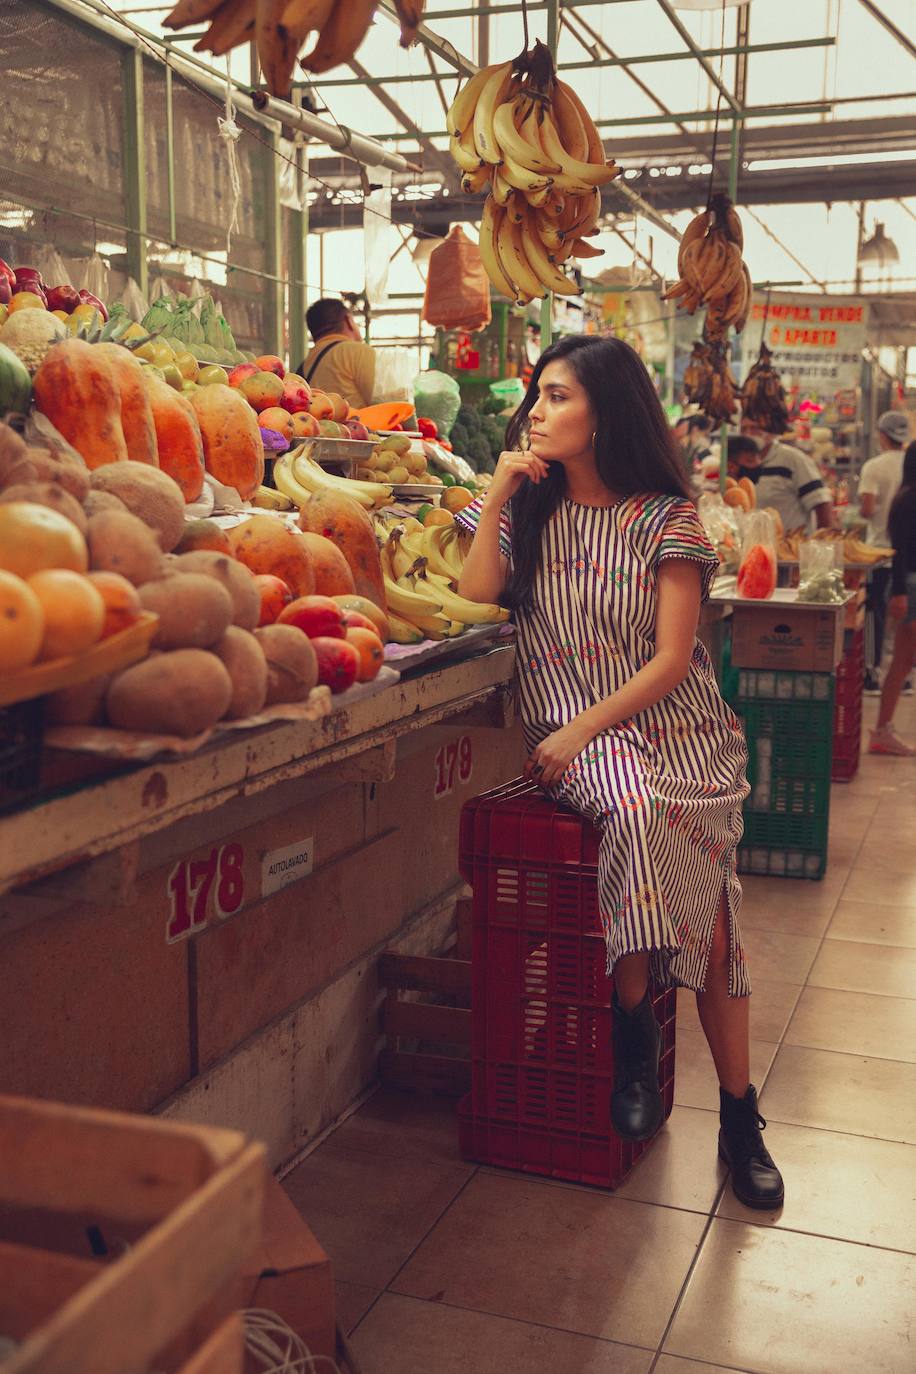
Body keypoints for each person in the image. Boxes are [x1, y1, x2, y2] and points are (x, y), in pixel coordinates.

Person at [456, 334, 783, 1210]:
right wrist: (497, 491)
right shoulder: (533, 512)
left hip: (676, 731)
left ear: (607, 411)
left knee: (715, 932)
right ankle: (633, 1025)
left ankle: (738, 1117)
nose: (538, 411)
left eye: (557, 396)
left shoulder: (666, 520)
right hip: (580, 735)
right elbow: (475, 586)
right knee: (638, 812)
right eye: (537, 396)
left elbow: (673, 661)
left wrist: (583, 731)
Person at [858, 411, 911, 694]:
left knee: (875, 615)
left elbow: (867, 509)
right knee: (904, 619)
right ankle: (904, 677)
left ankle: (873, 674)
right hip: (908, 555)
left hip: (879, 552)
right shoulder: (910, 464)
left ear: (882, 435)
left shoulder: (874, 467)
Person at [869, 440, 916, 756]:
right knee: (902, 659)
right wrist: (898, 591)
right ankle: (882, 730)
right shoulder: (909, 499)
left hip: (909, 585)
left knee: (904, 660)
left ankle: (883, 730)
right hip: (910, 585)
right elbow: (899, 550)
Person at [740, 416, 833, 533]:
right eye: (744, 429)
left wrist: (823, 542)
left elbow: (821, 503)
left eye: (754, 428)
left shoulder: (793, 460)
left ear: (770, 432)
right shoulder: (737, 462)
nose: (748, 434)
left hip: (789, 546)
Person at [297, 298, 375, 408]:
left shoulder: (304, 367)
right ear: (348, 320)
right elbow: (386, 401)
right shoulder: (359, 351)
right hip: (359, 424)